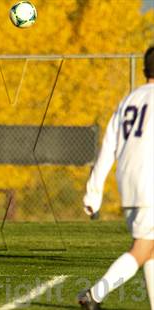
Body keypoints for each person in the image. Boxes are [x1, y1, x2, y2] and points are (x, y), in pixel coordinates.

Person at [78, 46, 154, 309]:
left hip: (130, 183)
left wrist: (94, 191)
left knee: (148, 248)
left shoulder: (129, 100)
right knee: (142, 249)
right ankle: (94, 295)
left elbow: (109, 145)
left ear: (144, 69)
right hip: (151, 183)